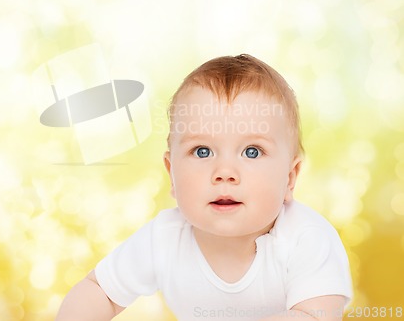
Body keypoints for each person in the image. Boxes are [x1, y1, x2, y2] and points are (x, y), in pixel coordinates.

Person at [55, 54, 353, 321]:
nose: (224, 173)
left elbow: (315, 316)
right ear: (172, 174)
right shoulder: (164, 239)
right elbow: (100, 291)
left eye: (251, 151)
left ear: (290, 177)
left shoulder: (307, 239)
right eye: (202, 151)